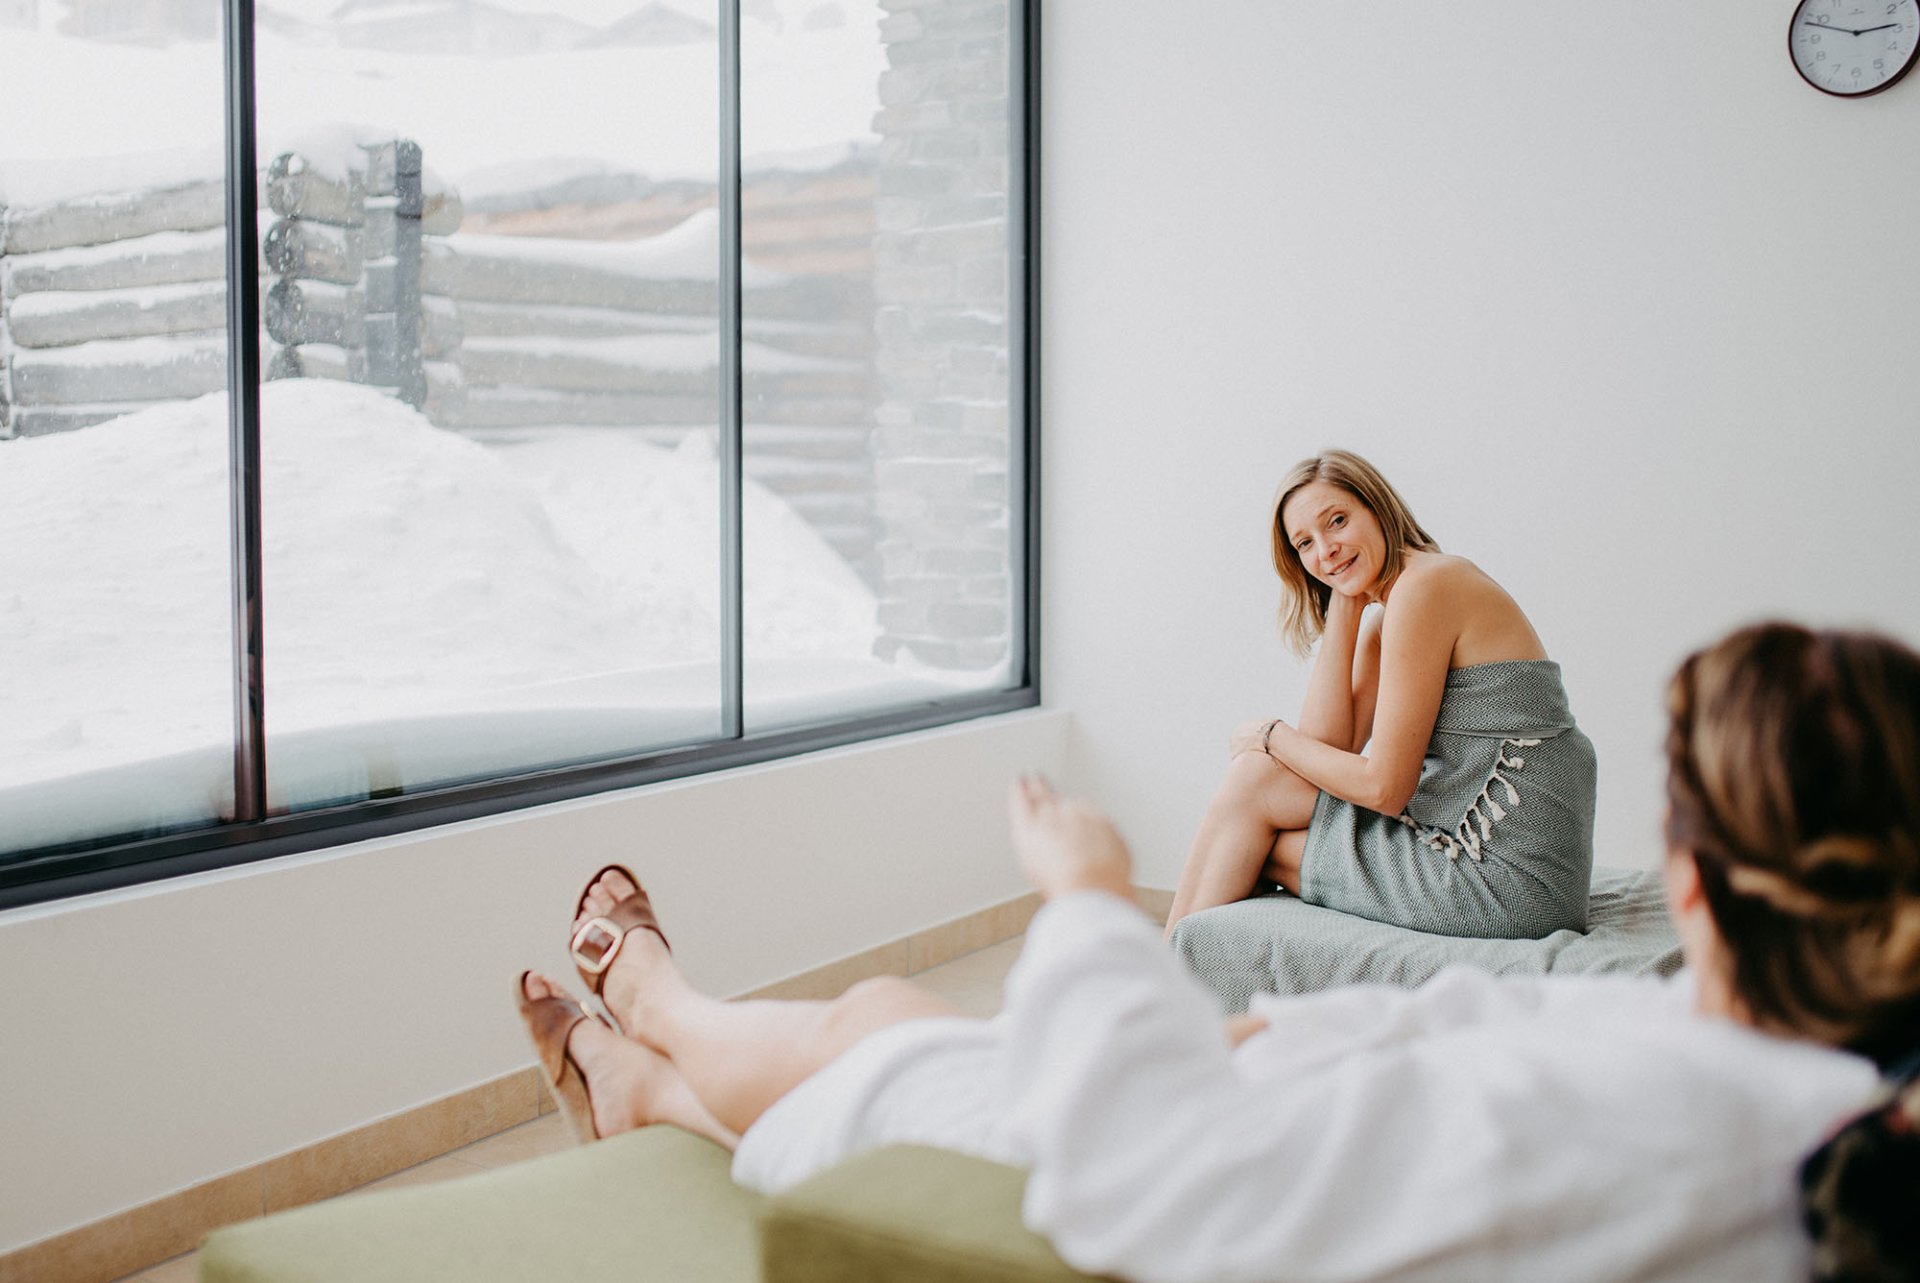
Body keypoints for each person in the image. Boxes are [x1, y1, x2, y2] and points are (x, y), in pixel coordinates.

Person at [514, 621, 1920, 1282]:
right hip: (1270, 1095)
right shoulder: (1802, 1084)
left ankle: (647, 996)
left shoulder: (1643, 1121)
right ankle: (631, 1085)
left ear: (1689, 875)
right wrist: (1300, 1036)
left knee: (880, 1019)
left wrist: (1081, 902)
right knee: (906, 1022)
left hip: (1133, 1172)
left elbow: (1158, 1180)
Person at [1165, 449, 1597, 939]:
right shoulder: (1394, 612)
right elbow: (1327, 752)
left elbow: (1384, 790)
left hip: (1506, 880)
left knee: (1252, 797)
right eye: (1305, 543)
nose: (1325, 549)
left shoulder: (1427, 587)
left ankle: (1161, 984)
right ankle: (1169, 976)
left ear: (1378, 507)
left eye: (1338, 521)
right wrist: (1343, 610)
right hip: (1472, 853)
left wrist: (1269, 735)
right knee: (1254, 803)